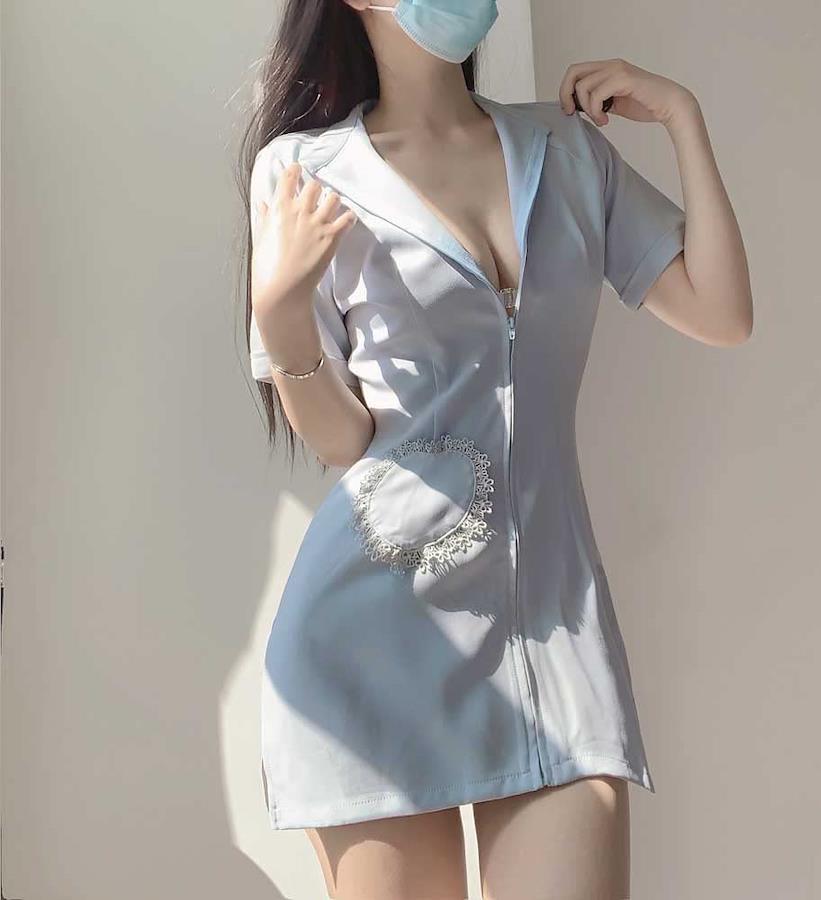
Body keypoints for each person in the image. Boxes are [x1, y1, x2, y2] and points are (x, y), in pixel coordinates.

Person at [238, 1, 752, 897]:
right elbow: (345, 440)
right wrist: (280, 315)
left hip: (555, 638)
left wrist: (682, 116)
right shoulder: (306, 172)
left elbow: (721, 311)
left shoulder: (567, 151)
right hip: (369, 646)